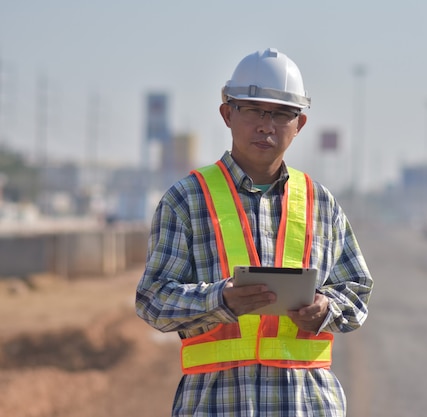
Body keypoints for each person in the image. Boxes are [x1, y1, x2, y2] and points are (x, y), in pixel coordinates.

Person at [135, 47, 374, 417]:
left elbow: (356, 293)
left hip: (306, 406)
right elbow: (153, 300)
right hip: (217, 405)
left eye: (281, 114)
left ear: (300, 125)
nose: (267, 125)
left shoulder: (321, 205)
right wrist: (220, 300)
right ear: (227, 113)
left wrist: (326, 307)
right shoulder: (186, 200)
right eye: (254, 110)